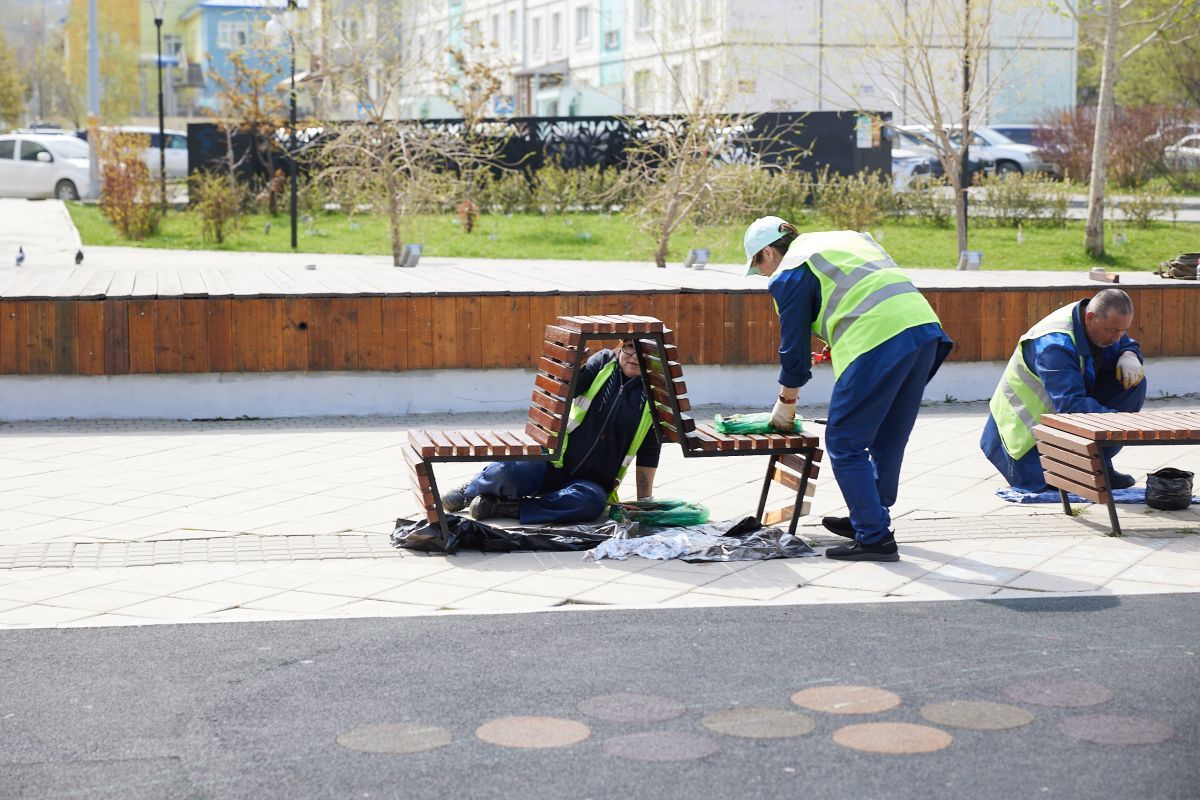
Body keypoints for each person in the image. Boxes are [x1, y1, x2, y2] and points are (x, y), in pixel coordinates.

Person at [744, 218, 953, 562]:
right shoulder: (840, 239)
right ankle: (871, 519)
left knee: (844, 442)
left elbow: (793, 352)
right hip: (923, 331)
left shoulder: (790, 271)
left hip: (876, 341)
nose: (764, 275)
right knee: (887, 437)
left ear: (768, 252)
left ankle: (874, 539)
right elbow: (863, 293)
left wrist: (786, 402)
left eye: (759, 266)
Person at [440, 340, 660, 524]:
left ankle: (503, 507)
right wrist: (575, 369)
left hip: (589, 483)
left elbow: (649, 452)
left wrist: (645, 502)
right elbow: (569, 391)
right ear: (620, 346)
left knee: (592, 503)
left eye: (643, 353)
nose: (634, 356)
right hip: (554, 462)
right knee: (515, 469)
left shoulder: (653, 396)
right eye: (630, 348)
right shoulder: (603, 362)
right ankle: (470, 491)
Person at [981, 288, 1146, 492]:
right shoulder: (1054, 345)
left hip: (1052, 430)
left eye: (1122, 331)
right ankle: (1087, 467)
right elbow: (1071, 404)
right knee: (1061, 485)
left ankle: (1097, 463)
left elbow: (1123, 341)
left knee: (1133, 380)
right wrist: (1121, 423)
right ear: (1090, 318)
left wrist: (1129, 353)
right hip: (1024, 441)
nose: (1117, 338)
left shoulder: (1099, 324)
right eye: (1113, 331)